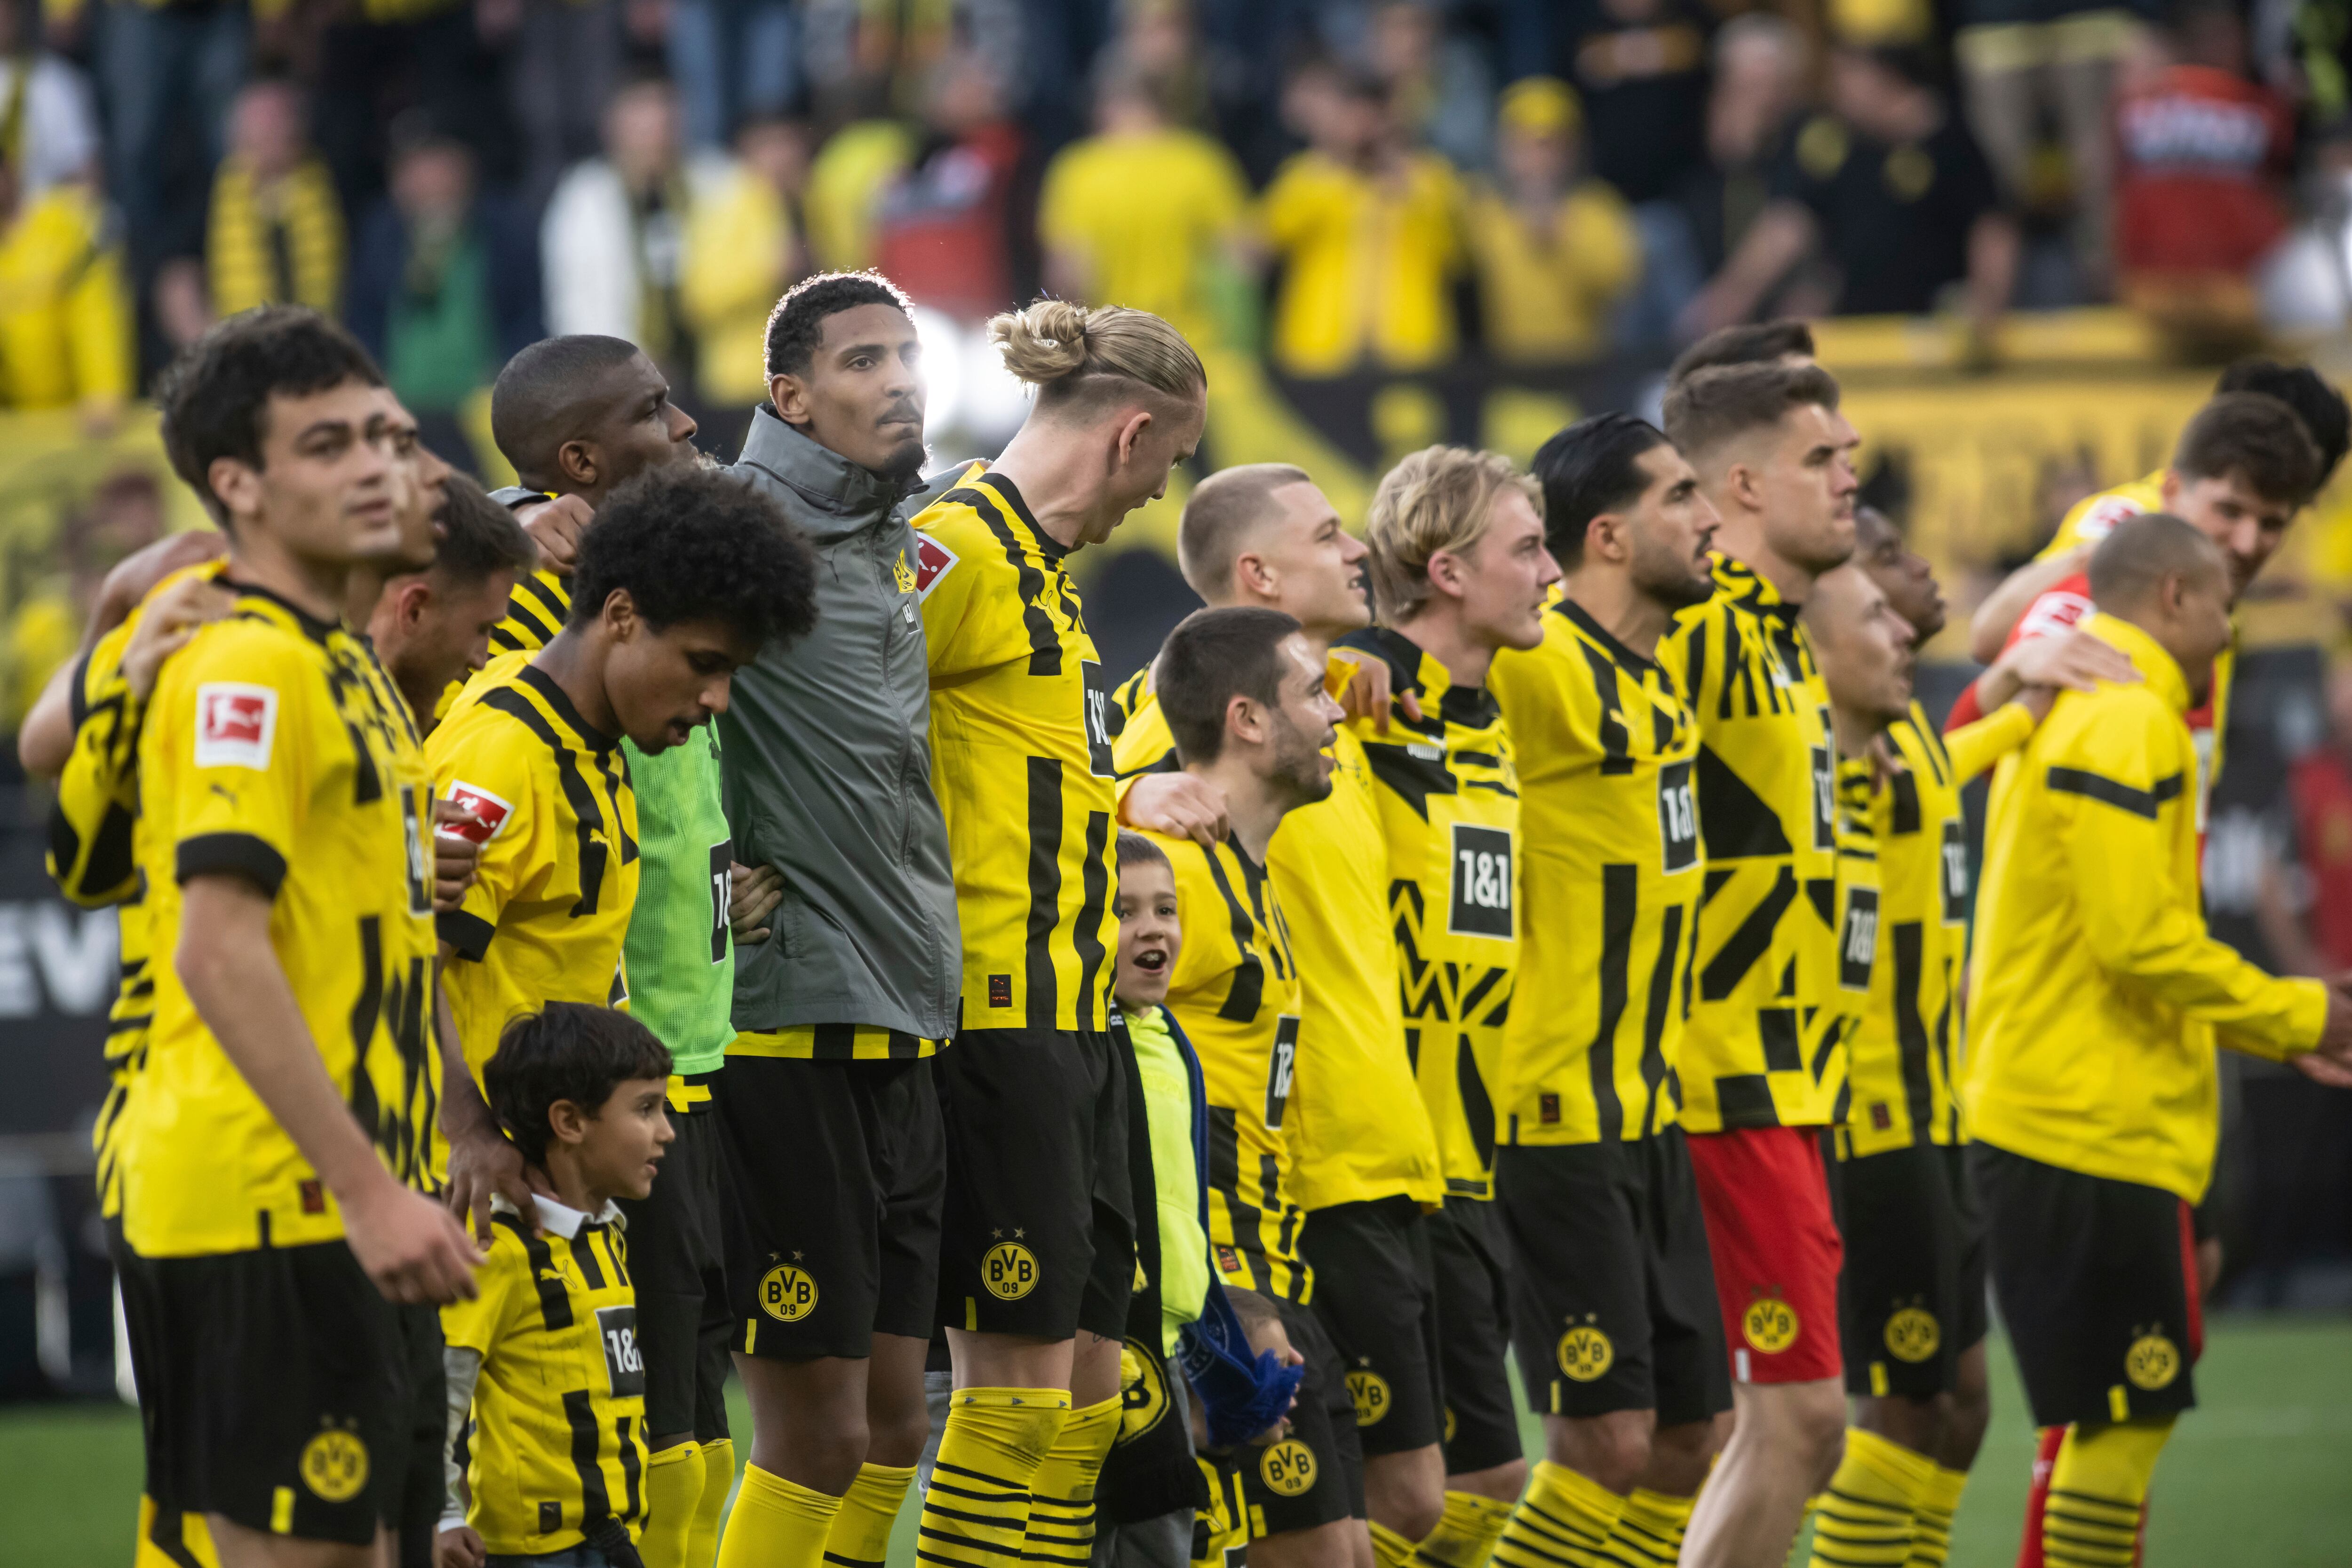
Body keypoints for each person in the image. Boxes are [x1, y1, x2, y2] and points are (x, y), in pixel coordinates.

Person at [117, 306, 484, 1568]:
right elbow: (217, 947)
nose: (382, 465)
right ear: (241, 486)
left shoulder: (344, 669)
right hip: (271, 1202)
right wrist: (369, 1187)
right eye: (329, 444)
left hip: (341, 1195)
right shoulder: (251, 667)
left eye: (388, 435)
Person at [431, 464, 818, 1568]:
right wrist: (467, 1132)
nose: (715, 702)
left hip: (560, 1185)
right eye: (703, 665)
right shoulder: (503, 752)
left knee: (647, 1458)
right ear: (617, 616)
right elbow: (415, 959)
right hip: (485, 1193)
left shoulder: (597, 753)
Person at [1965, 513, 2352, 1568]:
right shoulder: (2128, 719)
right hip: (2081, 1121)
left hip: (2067, 1110)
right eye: (2225, 596)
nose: (2235, 622)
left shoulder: (2078, 707)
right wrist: (2299, 1012)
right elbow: (2139, 943)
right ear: (2174, 595)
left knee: (2108, 1417)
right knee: (2120, 1421)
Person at [1109, 465, 1454, 1568]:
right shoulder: (1179, 847)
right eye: (1328, 532)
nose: (1356, 548)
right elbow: (1071, 853)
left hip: (1332, 1199)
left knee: (1391, 1518)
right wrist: (1119, 795)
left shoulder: (1324, 752)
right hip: (1237, 1243)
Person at [909, 298, 1203, 1568]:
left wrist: (1125, 796)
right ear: (1133, 433)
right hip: (995, 1014)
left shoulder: (1046, 581)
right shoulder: (955, 544)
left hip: (1075, 1023)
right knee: (1016, 1391)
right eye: (1173, 460)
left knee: (1089, 1386)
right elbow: (813, 719)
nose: (1162, 491)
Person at [479, 332, 751, 1568]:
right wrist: (504, 516)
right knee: (611, 1439)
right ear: (578, 461)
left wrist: (717, 892)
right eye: (656, 410)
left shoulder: (664, 580)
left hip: (680, 1059)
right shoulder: (530, 614)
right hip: (562, 1102)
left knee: (692, 1425)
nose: (690, 426)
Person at [707, 271, 961, 1568]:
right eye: (864, 361)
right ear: (789, 395)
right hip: (789, 1018)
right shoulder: (736, 529)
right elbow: (602, 664)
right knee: (812, 1436)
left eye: (910, 356)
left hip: (906, 1013)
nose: (901, 381)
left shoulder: (896, 529)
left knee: (896, 1423)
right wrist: (704, 877)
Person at [1485, 414, 1732, 1568]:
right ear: (1610, 536)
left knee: (1694, 1435)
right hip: (1553, 1109)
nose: (1711, 517)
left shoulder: (1659, 686)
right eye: (1683, 496)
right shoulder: (1537, 660)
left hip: (1650, 1107)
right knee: (1608, 1439)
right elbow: (1359, 658)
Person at [1335, 446, 1557, 1562]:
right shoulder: (1342, 699)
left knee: (1483, 1482)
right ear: (1448, 570)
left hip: (1467, 1156)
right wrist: (1338, 667)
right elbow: (1175, 708)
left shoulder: (1487, 722)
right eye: (1527, 549)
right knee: (1399, 1497)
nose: (1551, 573)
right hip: (1367, 1163)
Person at [1658, 359, 1857, 1567]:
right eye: (1822, 462)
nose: (1850, 483)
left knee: (1763, 1427)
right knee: (1799, 1420)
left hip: (1787, 1077)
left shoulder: (1776, 639)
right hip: (1718, 1073)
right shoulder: (1702, 623)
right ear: (1741, 483)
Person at [1135, 608, 1356, 1568]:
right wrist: (1223, 1291)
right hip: (1224, 1271)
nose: (1337, 713)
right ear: (1248, 719)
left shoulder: (1245, 871)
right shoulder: (1172, 873)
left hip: (1276, 1249)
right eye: (1314, 691)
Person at [1799, 559, 1935, 1567]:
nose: (1906, 610)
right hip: (1833, 1111)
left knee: (1945, 1405)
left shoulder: (1898, 746)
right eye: (1879, 602)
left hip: (1911, 1108)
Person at [436, 1004, 677, 1568]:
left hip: (615, 1539)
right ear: (569, 1122)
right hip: (535, 1553)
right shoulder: (499, 1250)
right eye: (646, 1109)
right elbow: (439, 1392)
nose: (666, 1131)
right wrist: (442, 1513)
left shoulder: (607, 1238)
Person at [1683, 45, 2016, 335]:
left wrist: (1987, 300)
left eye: (1848, 76)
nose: (1838, 91)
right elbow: (1790, 224)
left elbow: (1991, 230)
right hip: (1855, 329)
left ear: (1884, 77)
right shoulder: (1838, 144)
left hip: (1932, 329)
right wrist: (1732, 296)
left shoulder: (1951, 144)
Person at [1041, 49, 1255, 353]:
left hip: (1112, 349)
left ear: (1104, 104)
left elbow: (1068, 275)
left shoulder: (1077, 171)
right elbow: (1242, 258)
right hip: (1194, 350)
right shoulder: (1201, 162)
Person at [1258, 69, 1465, 378]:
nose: (1364, 128)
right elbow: (1260, 244)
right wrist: (1334, 167)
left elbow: (1456, 257)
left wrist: (1401, 180)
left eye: (1375, 116)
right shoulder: (1309, 176)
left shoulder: (1431, 179)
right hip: (1319, 349)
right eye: (1354, 116)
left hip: (1413, 348)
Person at [1461, 77, 1641, 366]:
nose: (1537, 159)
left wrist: (1562, 238)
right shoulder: (1481, 210)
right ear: (1503, 147)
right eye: (1524, 143)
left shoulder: (1597, 208)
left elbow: (1621, 280)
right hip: (1502, 379)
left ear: (1573, 148)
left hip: (1583, 376)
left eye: (1549, 145)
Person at [365, 473, 540, 725]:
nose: (480, 660)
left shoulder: (384, 727)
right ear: (414, 611)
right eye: (481, 630)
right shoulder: (304, 709)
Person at [207, 78, 346, 320]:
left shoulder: (335, 181)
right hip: (242, 343)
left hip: (320, 338)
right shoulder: (210, 194)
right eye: (260, 124)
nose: (269, 130)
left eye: (278, 119)